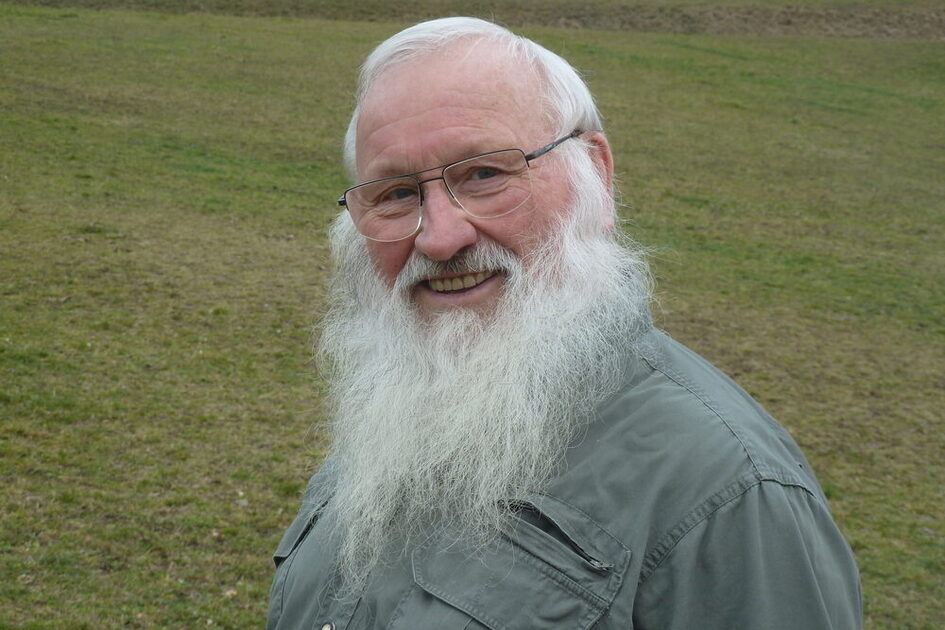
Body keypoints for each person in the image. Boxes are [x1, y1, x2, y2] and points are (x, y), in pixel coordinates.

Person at [267, 17, 862, 630]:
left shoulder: (731, 493)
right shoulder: (403, 412)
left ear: (596, 178)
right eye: (395, 193)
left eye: (485, 174)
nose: (441, 237)